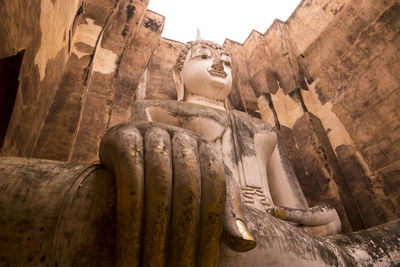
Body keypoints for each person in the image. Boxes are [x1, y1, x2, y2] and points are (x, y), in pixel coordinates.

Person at [100, 40, 343, 266]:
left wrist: (321, 220)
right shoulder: (155, 111)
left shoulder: (263, 131)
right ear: (178, 75)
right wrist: (125, 140)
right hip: (193, 221)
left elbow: (291, 210)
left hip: (272, 232)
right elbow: (130, 152)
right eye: (204, 57)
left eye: (226, 62)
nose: (218, 65)